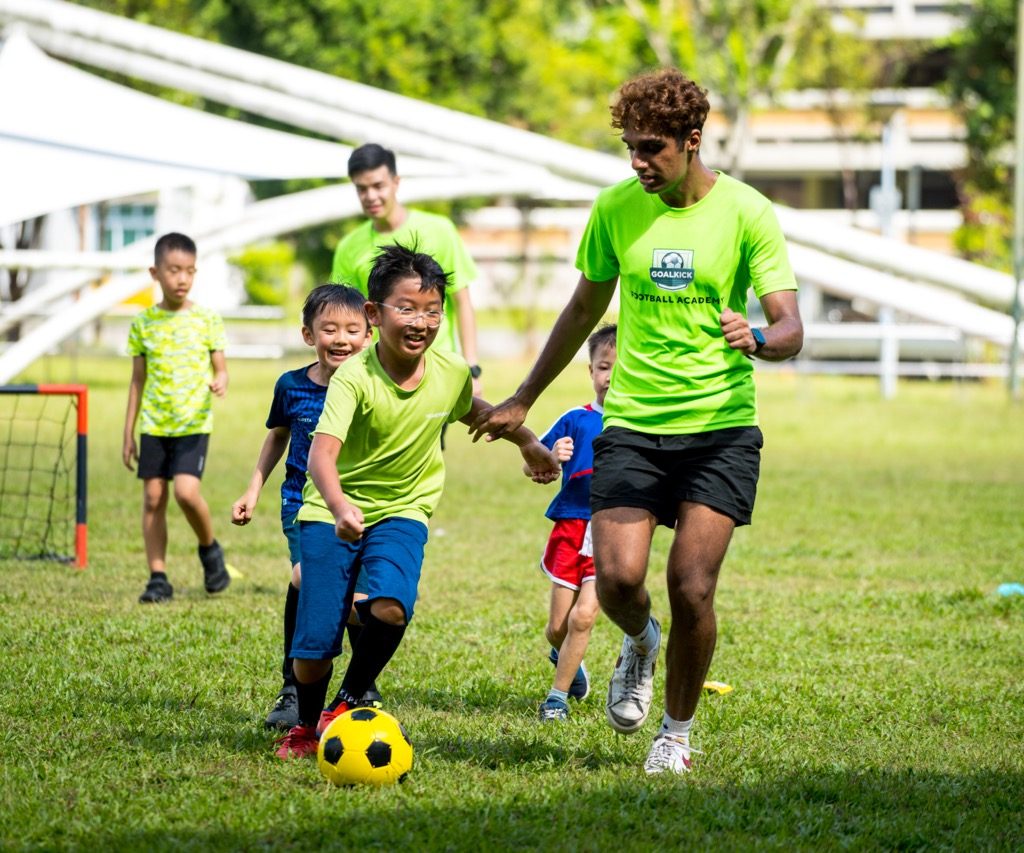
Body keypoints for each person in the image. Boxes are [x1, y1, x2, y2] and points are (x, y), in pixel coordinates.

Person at [471, 69, 803, 775]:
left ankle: (675, 734)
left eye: (650, 147)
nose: (637, 162)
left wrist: (762, 341)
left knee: (693, 585)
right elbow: (583, 308)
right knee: (618, 581)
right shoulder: (618, 207)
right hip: (633, 424)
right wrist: (525, 396)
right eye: (628, 147)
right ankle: (641, 640)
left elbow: (790, 324)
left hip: (721, 428)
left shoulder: (747, 212)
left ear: (692, 140)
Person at [274, 243, 560, 759]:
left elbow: (475, 410)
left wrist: (529, 443)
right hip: (329, 513)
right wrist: (339, 507)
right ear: (373, 314)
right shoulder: (353, 377)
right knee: (314, 649)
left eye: (432, 311)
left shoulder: (449, 371)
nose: (421, 322)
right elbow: (320, 457)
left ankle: (346, 703)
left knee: (389, 608)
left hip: (405, 509)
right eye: (406, 308)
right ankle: (303, 725)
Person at [231, 284, 375, 731]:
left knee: (361, 596)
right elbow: (277, 435)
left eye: (353, 329)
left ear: (369, 335)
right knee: (306, 577)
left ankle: (361, 687)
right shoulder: (291, 386)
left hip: (361, 505)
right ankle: (293, 686)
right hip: (303, 503)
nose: (341, 338)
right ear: (308, 335)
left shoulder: (373, 383)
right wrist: (253, 489)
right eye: (328, 328)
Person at [123, 232, 231, 604]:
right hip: (154, 424)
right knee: (153, 498)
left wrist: (220, 380)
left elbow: (221, 368)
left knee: (186, 493)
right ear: (155, 273)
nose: (181, 279)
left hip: (193, 424)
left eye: (188, 271)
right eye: (173, 270)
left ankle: (210, 549)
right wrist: (128, 433)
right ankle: (158, 577)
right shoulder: (142, 324)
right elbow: (137, 382)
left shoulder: (207, 320)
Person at [331, 143, 484, 396]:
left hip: (434, 371)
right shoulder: (349, 247)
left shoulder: (439, 230)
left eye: (378, 186)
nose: (370, 196)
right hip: (375, 374)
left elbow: (462, 301)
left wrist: (472, 367)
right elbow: (346, 314)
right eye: (361, 188)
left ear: (396, 182)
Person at [534, 324, 617, 723]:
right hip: (569, 528)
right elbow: (534, 463)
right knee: (557, 628)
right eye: (604, 367)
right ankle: (567, 656)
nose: (611, 376)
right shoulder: (574, 419)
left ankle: (556, 699)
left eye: (622, 367)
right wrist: (551, 455)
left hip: (612, 530)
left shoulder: (639, 426)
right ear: (591, 371)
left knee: (584, 617)